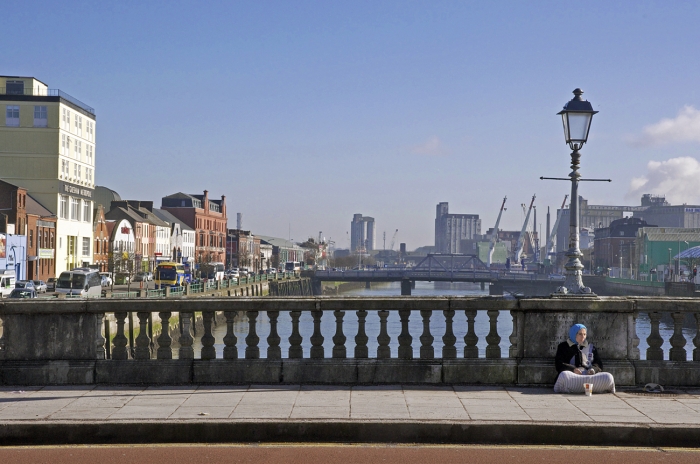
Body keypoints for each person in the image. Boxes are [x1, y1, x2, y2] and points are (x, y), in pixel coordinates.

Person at [554, 323, 616, 394]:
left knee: (608, 377)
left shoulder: (591, 347)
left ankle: (580, 387)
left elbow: (598, 363)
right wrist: (573, 369)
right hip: (573, 377)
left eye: (584, 334)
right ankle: (591, 387)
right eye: (580, 334)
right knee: (564, 375)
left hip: (589, 377)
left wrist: (593, 370)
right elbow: (559, 364)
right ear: (574, 334)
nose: (583, 336)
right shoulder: (563, 346)